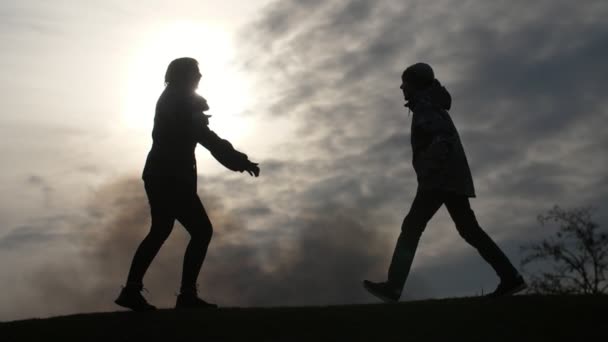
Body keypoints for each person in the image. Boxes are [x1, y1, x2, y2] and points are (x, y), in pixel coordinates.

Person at [363, 63, 526, 302]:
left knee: (411, 228)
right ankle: (511, 278)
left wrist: (429, 170)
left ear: (416, 84)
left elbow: (442, 140)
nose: (401, 86)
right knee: (469, 230)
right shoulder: (430, 105)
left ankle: (394, 287)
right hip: (449, 178)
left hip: (439, 180)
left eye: (405, 82)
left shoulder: (426, 108)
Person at [115, 57, 260, 311]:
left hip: (159, 173)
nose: (200, 76)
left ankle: (133, 289)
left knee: (161, 230)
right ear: (184, 75)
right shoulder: (181, 100)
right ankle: (186, 294)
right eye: (196, 72)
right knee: (201, 230)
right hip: (171, 176)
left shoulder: (173, 98)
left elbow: (199, 134)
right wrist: (239, 161)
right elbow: (206, 137)